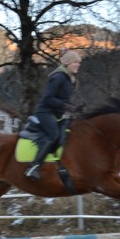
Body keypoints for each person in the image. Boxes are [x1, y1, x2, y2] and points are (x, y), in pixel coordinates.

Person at [24, 49, 82, 181]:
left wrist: (74, 109)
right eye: (75, 62)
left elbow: (63, 100)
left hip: (57, 114)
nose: (78, 64)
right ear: (67, 63)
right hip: (45, 112)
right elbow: (47, 99)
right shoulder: (58, 77)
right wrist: (66, 106)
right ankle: (33, 167)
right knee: (54, 134)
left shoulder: (69, 79)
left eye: (79, 62)